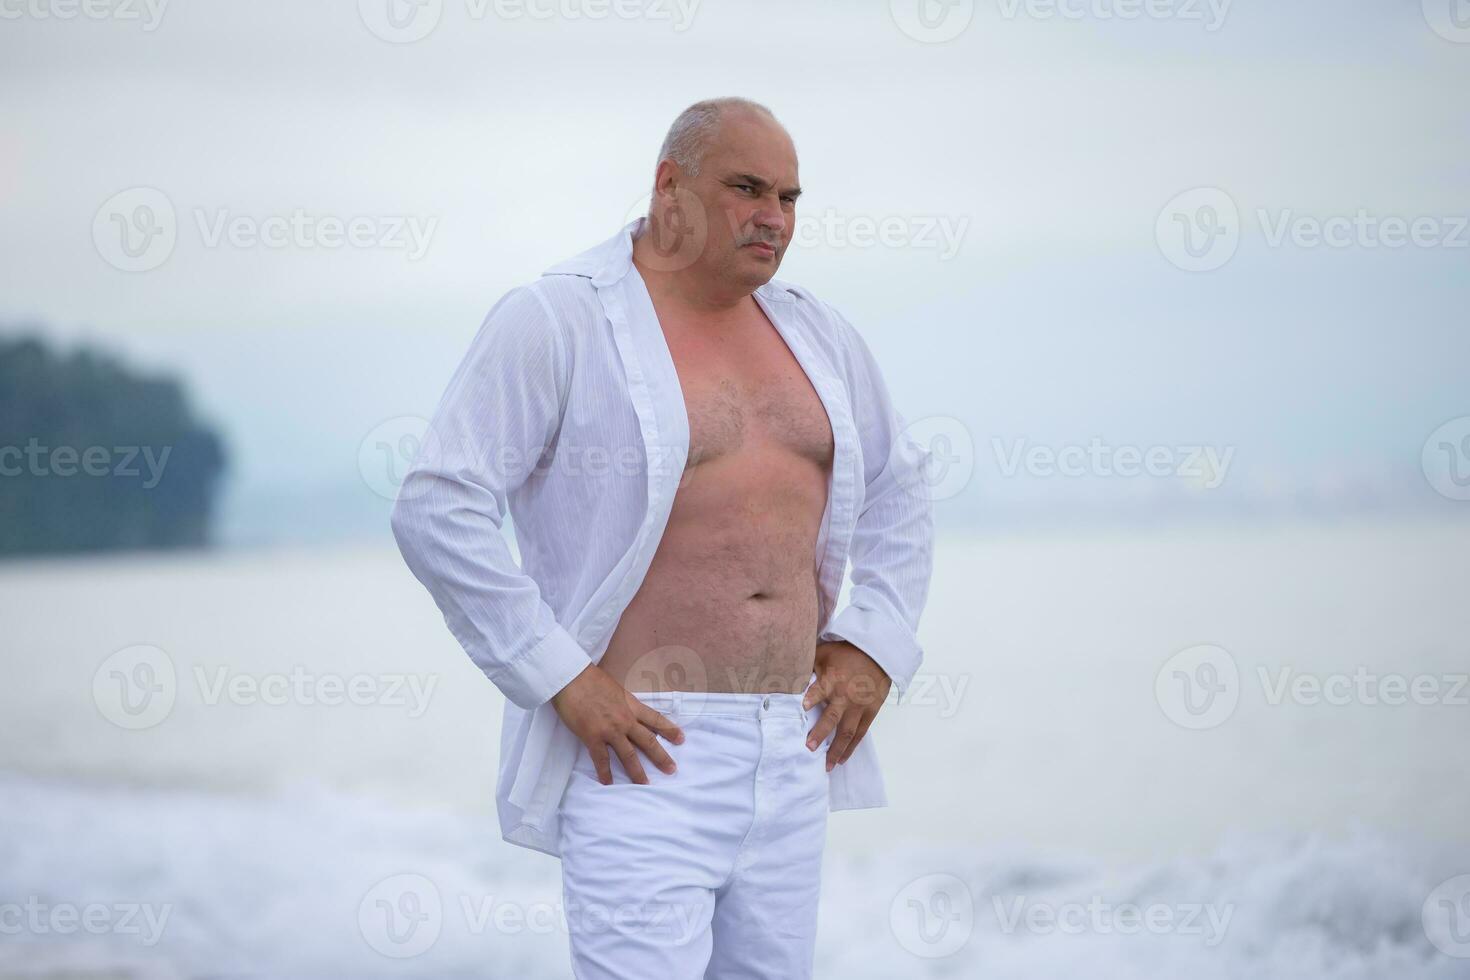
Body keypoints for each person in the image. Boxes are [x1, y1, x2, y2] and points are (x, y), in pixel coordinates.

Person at [391, 96, 935, 979]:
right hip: (644, 752)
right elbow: (438, 504)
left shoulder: (818, 334)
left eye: (791, 198)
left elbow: (902, 492)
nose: (774, 217)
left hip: (790, 751)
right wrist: (560, 677)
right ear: (669, 187)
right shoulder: (558, 319)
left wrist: (874, 646)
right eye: (748, 188)